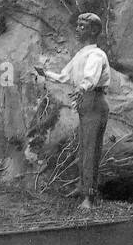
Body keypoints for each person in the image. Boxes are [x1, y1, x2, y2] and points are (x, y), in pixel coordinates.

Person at [40, 12, 111, 211]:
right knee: (83, 146)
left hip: (94, 101)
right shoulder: (81, 54)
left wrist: (81, 88)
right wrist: (45, 74)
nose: (77, 30)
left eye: (83, 26)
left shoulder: (96, 55)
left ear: (94, 30)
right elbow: (64, 76)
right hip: (85, 103)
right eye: (78, 26)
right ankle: (82, 187)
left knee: (91, 150)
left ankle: (89, 196)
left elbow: (90, 78)